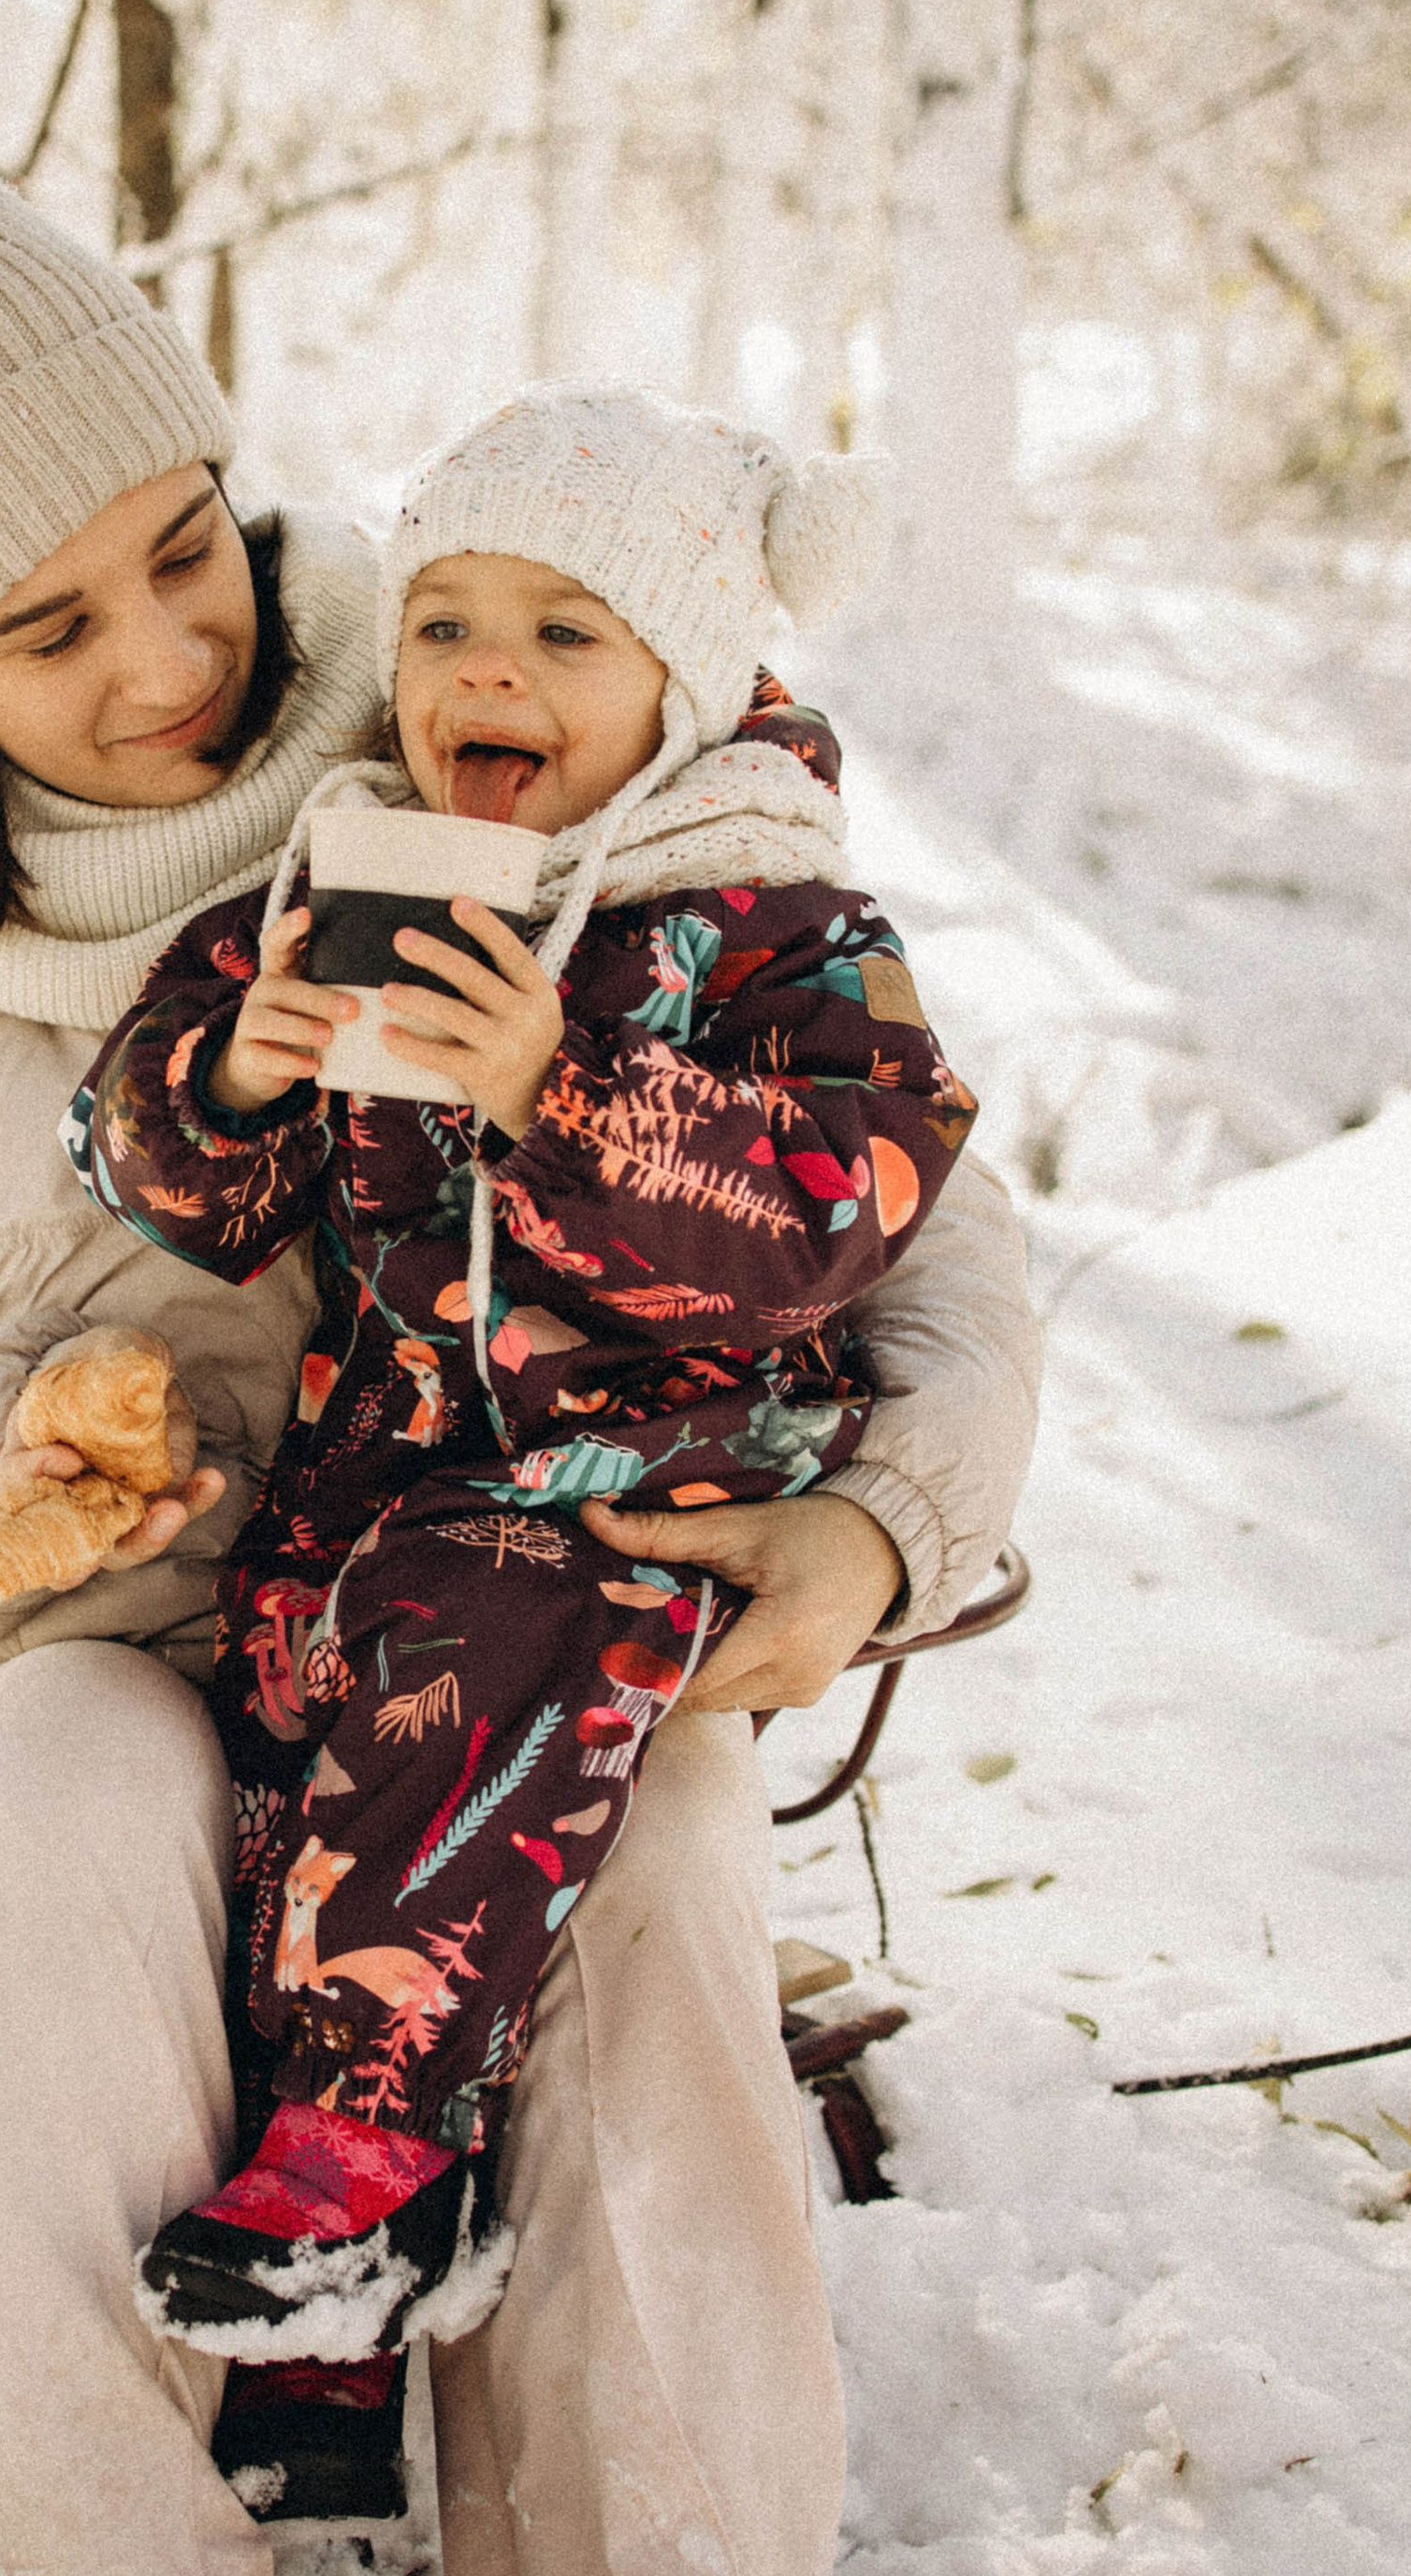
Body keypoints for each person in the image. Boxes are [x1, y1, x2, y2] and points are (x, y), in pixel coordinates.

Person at [0, 144, 1040, 2576]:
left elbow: (935, 1245)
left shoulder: (498, 686)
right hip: (160, 1669)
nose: (177, 657)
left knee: (680, 1841)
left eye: (187, 544)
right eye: (52, 633)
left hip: (531, 1651)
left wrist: (865, 1554)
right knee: (56, 1781)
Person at [66, 386, 978, 2366]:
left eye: (566, 630)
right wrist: (234, 1071)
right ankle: (330, 2176)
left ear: (689, 677)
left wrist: (552, 1090)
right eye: (444, 620)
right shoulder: (359, 878)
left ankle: (363, 2154)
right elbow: (166, 1184)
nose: (487, 665)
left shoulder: (771, 921)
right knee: (282, 1706)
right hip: (399, 1468)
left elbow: (848, 1192)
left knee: (459, 1672)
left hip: (645, 1481)